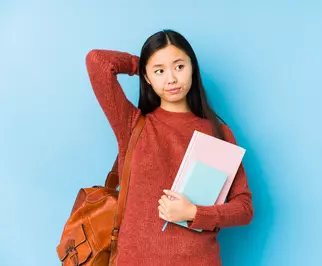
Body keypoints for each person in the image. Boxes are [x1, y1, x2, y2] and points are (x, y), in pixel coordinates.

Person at [85, 29, 254, 266]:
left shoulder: (219, 133)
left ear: (192, 68)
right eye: (159, 71)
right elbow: (97, 62)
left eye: (179, 66)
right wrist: (140, 64)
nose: (171, 79)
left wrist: (194, 213)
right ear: (147, 77)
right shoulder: (133, 125)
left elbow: (244, 208)